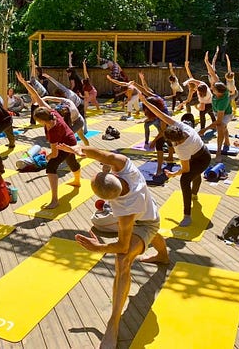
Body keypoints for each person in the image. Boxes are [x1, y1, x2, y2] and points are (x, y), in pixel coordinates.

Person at [56, 142, 169, 348]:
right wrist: (80, 150)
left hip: (145, 220)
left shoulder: (125, 211)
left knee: (123, 259)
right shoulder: (125, 165)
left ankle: (113, 323)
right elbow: (101, 154)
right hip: (147, 210)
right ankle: (163, 256)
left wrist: (99, 248)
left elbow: (122, 247)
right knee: (143, 236)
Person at [140, 92, 211, 227]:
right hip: (197, 152)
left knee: (185, 179)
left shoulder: (182, 148)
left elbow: (185, 169)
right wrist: (146, 103)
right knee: (194, 175)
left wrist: (173, 174)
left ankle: (187, 215)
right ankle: (194, 194)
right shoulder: (181, 127)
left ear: (176, 141)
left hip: (203, 158)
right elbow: (161, 114)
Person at [16, 71, 81, 209]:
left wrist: (46, 157)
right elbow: (36, 96)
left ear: (42, 120)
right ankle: (77, 181)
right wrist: (24, 83)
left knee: (51, 167)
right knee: (71, 160)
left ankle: (55, 200)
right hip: (71, 140)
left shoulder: (52, 131)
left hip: (66, 143)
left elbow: (55, 154)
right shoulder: (52, 112)